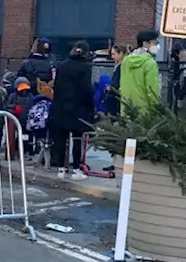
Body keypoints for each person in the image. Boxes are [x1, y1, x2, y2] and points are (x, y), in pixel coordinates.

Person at [51, 41, 96, 180]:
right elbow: (86, 90)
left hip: (60, 106)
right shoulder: (85, 68)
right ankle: (76, 169)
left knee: (61, 139)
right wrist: (91, 107)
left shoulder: (62, 65)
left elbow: (56, 86)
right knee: (77, 138)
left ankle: (60, 169)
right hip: (77, 107)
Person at [119, 29, 161, 114]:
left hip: (126, 108)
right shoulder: (150, 63)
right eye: (155, 43)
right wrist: (156, 109)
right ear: (145, 43)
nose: (158, 46)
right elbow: (152, 91)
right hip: (144, 112)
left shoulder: (126, 61)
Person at [104, 44, 129, 116]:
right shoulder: (124, 66)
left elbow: (115, 85)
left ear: (121, 53)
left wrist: (109, 88)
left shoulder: (120, 67)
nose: (112, 57)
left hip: (117, 101)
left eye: (114, 54)